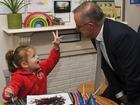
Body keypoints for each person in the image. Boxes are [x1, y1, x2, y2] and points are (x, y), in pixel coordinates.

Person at [73, 1, 140, 105]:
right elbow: (106, 67)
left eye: (78, 26)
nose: (77, 30)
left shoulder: (121, 37)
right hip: (122, 82)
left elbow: (134, 77)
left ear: (90, 25)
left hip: (136, 86)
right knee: (98, 102)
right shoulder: (95, 34)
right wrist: (120, 95)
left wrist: (129, 100)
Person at [2, 30, 62, 101]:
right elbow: (13, 86)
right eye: (33, 56)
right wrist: (9, 91)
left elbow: (51, 60)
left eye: (36, 54)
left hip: (42, 102)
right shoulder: (18, 77)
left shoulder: (41, 68)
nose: (37, 57)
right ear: (25, 64)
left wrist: (56, 47)